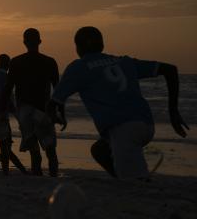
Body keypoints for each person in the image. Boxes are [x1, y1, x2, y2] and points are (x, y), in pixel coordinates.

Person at [48, 26, 189, 180]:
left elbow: (53, 102)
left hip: (123, 130)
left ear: (78, 48)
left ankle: (130, 178)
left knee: (136, 186)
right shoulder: (124, 61)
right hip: (147, 125)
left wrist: (55, 117)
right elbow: (170, 70)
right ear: (102, 45)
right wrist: (173, 112)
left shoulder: (78, 67)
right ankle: (123, 175)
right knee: (100, 150)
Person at [3, 28, 60, 176]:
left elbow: (7, 90)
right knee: (51, 151)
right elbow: (59, 91)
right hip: (44, 110)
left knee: (34, 152)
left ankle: (37, 176)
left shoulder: (15, 62)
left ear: (24, 42)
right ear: (40, 41)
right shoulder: (49, 62)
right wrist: (60, 113)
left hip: (25, 112)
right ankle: (53, 178)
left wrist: (4, 111)